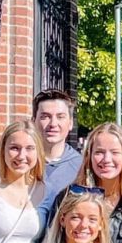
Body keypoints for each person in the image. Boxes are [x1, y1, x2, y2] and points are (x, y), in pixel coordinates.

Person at [33, 89, 82, 229]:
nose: (53, 123)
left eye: (60, 117)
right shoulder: (22, 164)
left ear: (70, 123)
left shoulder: (82, 168)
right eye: (45, 116)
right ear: (33, 121)